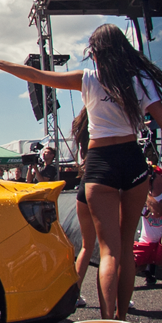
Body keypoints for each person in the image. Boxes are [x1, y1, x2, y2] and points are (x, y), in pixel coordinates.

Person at [0, 24, 162, 321]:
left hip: (101, 162)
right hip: (132, 161)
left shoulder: (89, 78)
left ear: (96, 52)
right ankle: (121, 319)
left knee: (109, 252)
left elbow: (37, 76)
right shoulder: (140, 80)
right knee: (125, 248)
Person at [67, 110, 99, 310]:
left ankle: (74, 294)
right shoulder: (104, 129)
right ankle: (116, 296)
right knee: (113, 248)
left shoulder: (83, 133)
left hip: (85, 184)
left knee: (87, 247)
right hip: (104, 182)